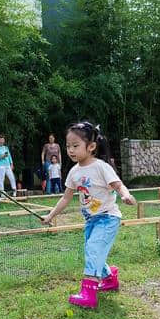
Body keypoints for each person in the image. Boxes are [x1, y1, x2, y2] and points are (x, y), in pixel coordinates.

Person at [41, 122, 136, 309]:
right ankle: (109, 278)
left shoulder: (101, 167)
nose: (70, 150)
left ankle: (88, 293)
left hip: (108, 217)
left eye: (75, 146)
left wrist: (126, 195)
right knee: (91, 251)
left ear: (91, 147)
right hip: (91, 219)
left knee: (93, 249)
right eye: (68, 146)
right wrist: (50, 215)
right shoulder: (74, 172)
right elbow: (66, 197)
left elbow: (118, 185)